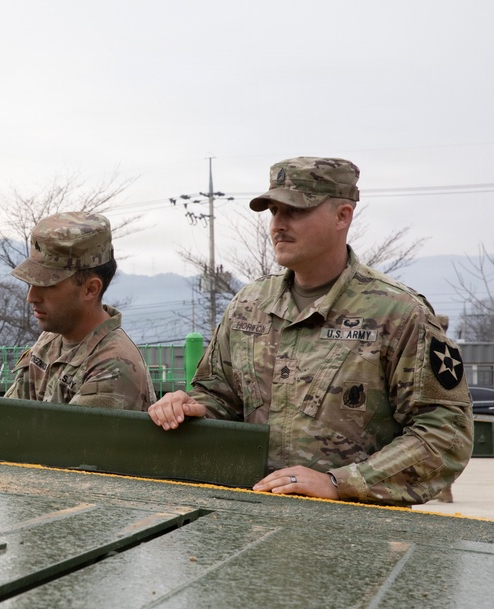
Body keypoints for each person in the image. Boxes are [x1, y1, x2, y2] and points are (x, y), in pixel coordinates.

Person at [147, 157, 473, 505]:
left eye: (295, 211)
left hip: (356, 527)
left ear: (342, 216)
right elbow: (219, 396)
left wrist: (341, 483)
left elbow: (445, 433)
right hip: (252, 514)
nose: (278, 225)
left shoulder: (399, 314)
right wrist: (190, 407)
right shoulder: (249, 305)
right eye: (274, 211)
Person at [4, 211, 156, 411]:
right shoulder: (51, 340)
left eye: (48, 285)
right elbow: (7, 414)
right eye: (32, 284)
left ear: (90, 289)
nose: (31, 297)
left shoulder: (113, 367)